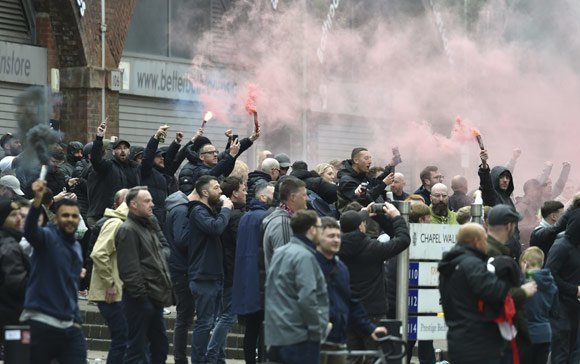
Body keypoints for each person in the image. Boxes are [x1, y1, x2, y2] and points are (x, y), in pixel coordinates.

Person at [21, 179, 87, 363]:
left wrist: (75, 319)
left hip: (70, 324)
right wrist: (37, 201)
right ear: (56, 218)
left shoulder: (76, 247)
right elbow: (30, 230)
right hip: (41, 321)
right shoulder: (47, 236)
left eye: (75, 216)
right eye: (65, 215)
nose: (70, 219)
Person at [338, 203, 410, 356]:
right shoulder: (373, 248)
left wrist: (376, 217)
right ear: (361, 227)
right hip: (373, 313)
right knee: (376, 356)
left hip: (347, 312)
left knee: (352, 358)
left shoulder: (334, 249)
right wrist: (397, 217)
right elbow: (402, 239)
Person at [315, 217, 387, 363]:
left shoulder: (340, 267)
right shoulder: (309, 263)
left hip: (337, 339)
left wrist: (369, 328)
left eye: (337, 236)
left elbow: (349, 300)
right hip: (312, 340)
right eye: (330, 236)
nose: (336, 240)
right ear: (317, 238)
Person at [438, 223, 511, 364]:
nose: (487, 244)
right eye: (485, 239)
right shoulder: (472, 265)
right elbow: (496, 291)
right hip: (479, 340)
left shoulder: (449, 265)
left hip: (457, 337)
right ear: (476, 242)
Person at [116, 187, 173, 363]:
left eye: (151, 200)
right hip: (139, 300)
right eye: (147, 201)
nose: (152, 204)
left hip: (154, 298)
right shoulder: (128, 229)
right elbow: (129, 270)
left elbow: (163, 250)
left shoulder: (148, 225)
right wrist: (142, 299)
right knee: (137, 350)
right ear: (133, 204)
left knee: (160, 346)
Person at [265, 210, 329, 364]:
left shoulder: (280, 252)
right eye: (320, 228)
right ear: (312, 230)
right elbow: (307, 297)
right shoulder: (305, 257)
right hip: (300, 337)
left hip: (277, 335)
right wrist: (317, 330)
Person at [187, 175, 233, 363]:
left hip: (214, 275)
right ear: (205, 192)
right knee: (205, 323)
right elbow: (215, 228)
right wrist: (226, 210)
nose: (220, 191)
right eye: (216, 188)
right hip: (203, 276)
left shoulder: (209, 210)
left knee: (212, 322)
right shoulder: (198, 211)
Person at [486, 204, 537, 363]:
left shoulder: (481, 249)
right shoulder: (497, 256)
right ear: (509, 226)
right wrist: (523, 291)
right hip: (499, 334)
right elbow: (495, 295)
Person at [232, 183, 275, 364]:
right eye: (273, 193)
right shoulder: (266, 217)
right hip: (260, 279)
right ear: (263, 197)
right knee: (262, 330)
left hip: (245, 279)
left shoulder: (245, 217)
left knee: (251, 329)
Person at [206, 176, 247, 363]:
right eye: (243, 189)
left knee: (220, 315)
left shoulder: (220, 212)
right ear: (234, 193)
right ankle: (212, 353)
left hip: (220, 270)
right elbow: (241, 245)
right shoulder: (236, 216)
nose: (246, 192)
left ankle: (219, 357)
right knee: (228, 316)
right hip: (231, 272)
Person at [87, 197, 129, 364]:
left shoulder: (129, 224)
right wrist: (109, 283)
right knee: (123, 339)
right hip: (111, 293)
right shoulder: (116, 224)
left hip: (120, 291)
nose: (152, 204)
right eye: (147, 201)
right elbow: (99, 254)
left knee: (126, 339)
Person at [164, 188, 197, 364]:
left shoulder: (177, 209)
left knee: (184, 317)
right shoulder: (182, 210)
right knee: (184, 317)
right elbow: (182, 239)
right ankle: (180, 359)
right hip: (182, 268)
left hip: (179, 267)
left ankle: (180, 358)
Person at [88, 122, 141, 227]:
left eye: (125, 148)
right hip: (102, 217)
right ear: (113, 152)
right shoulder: (108, 166)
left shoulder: (134, 168)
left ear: (129, 152)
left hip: (124, 216)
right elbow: (96, 160)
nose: (122, 151)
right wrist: (99, 137)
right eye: (119, 148)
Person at [545, 208, 580, 364]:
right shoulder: (562, 246)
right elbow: (549, 275)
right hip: (560, 308)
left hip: (573, 308)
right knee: (561, 353)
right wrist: (574, 289)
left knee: (572, 351)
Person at [479, 149, 522, 260]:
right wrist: (484, 165)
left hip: (513, 253)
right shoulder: (493, 196)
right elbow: (486, 186)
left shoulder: (508, 199)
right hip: (499, 253)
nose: (505, 180)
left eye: (507, 178)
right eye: (501, 177)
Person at [519, 247, 558, 364]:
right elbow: (555, 312)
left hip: (526, 334)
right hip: (545, 334)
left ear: (525, 263)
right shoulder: (551, 282)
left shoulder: (524, 281)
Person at [140, 125, 182, 228]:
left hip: (162, 218)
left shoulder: (164, 174)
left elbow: (172, 157)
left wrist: (177, 142)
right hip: (150, 218)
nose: (162, 159)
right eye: (158, 156)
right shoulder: (146, 171)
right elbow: (149, 154)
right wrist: (156, 137)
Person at [262, 176, 308, 270]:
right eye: (304, 195)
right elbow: (285, 265)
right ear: (293, 197)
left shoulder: (287, 220)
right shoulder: (283, 224)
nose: (307, 198)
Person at [0, 199, 29, 340]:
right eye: (13, 215)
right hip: (10, 317)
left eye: (20, 215)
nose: (19, 219)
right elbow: (17, 284)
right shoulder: (9, 246)